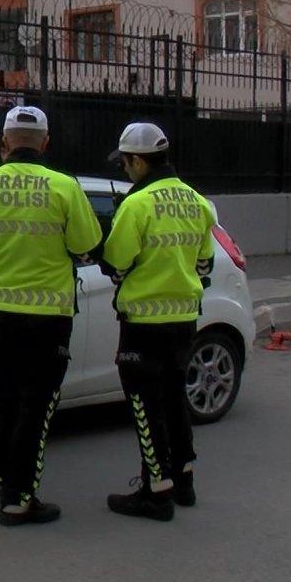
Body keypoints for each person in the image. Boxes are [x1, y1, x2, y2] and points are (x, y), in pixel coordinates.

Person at [0, 105, 102, 527]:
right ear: (46, 143)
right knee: (36, 404)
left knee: (2, 398)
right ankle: (19, 499)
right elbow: (87, 246)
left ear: (4, 143)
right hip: (49, 314)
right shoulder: (64, 188)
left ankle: (4, 478)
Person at [100, 123, 217, 522]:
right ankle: (184, 481)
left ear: (138, 160)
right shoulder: (198, 202)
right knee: (173, 399)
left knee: (144, 406)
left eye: (126, 163)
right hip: (185, 320)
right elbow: (205, 263)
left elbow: (114, 262)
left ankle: (156, 491)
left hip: (143, 323)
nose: (125, 171)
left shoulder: (137, 204)